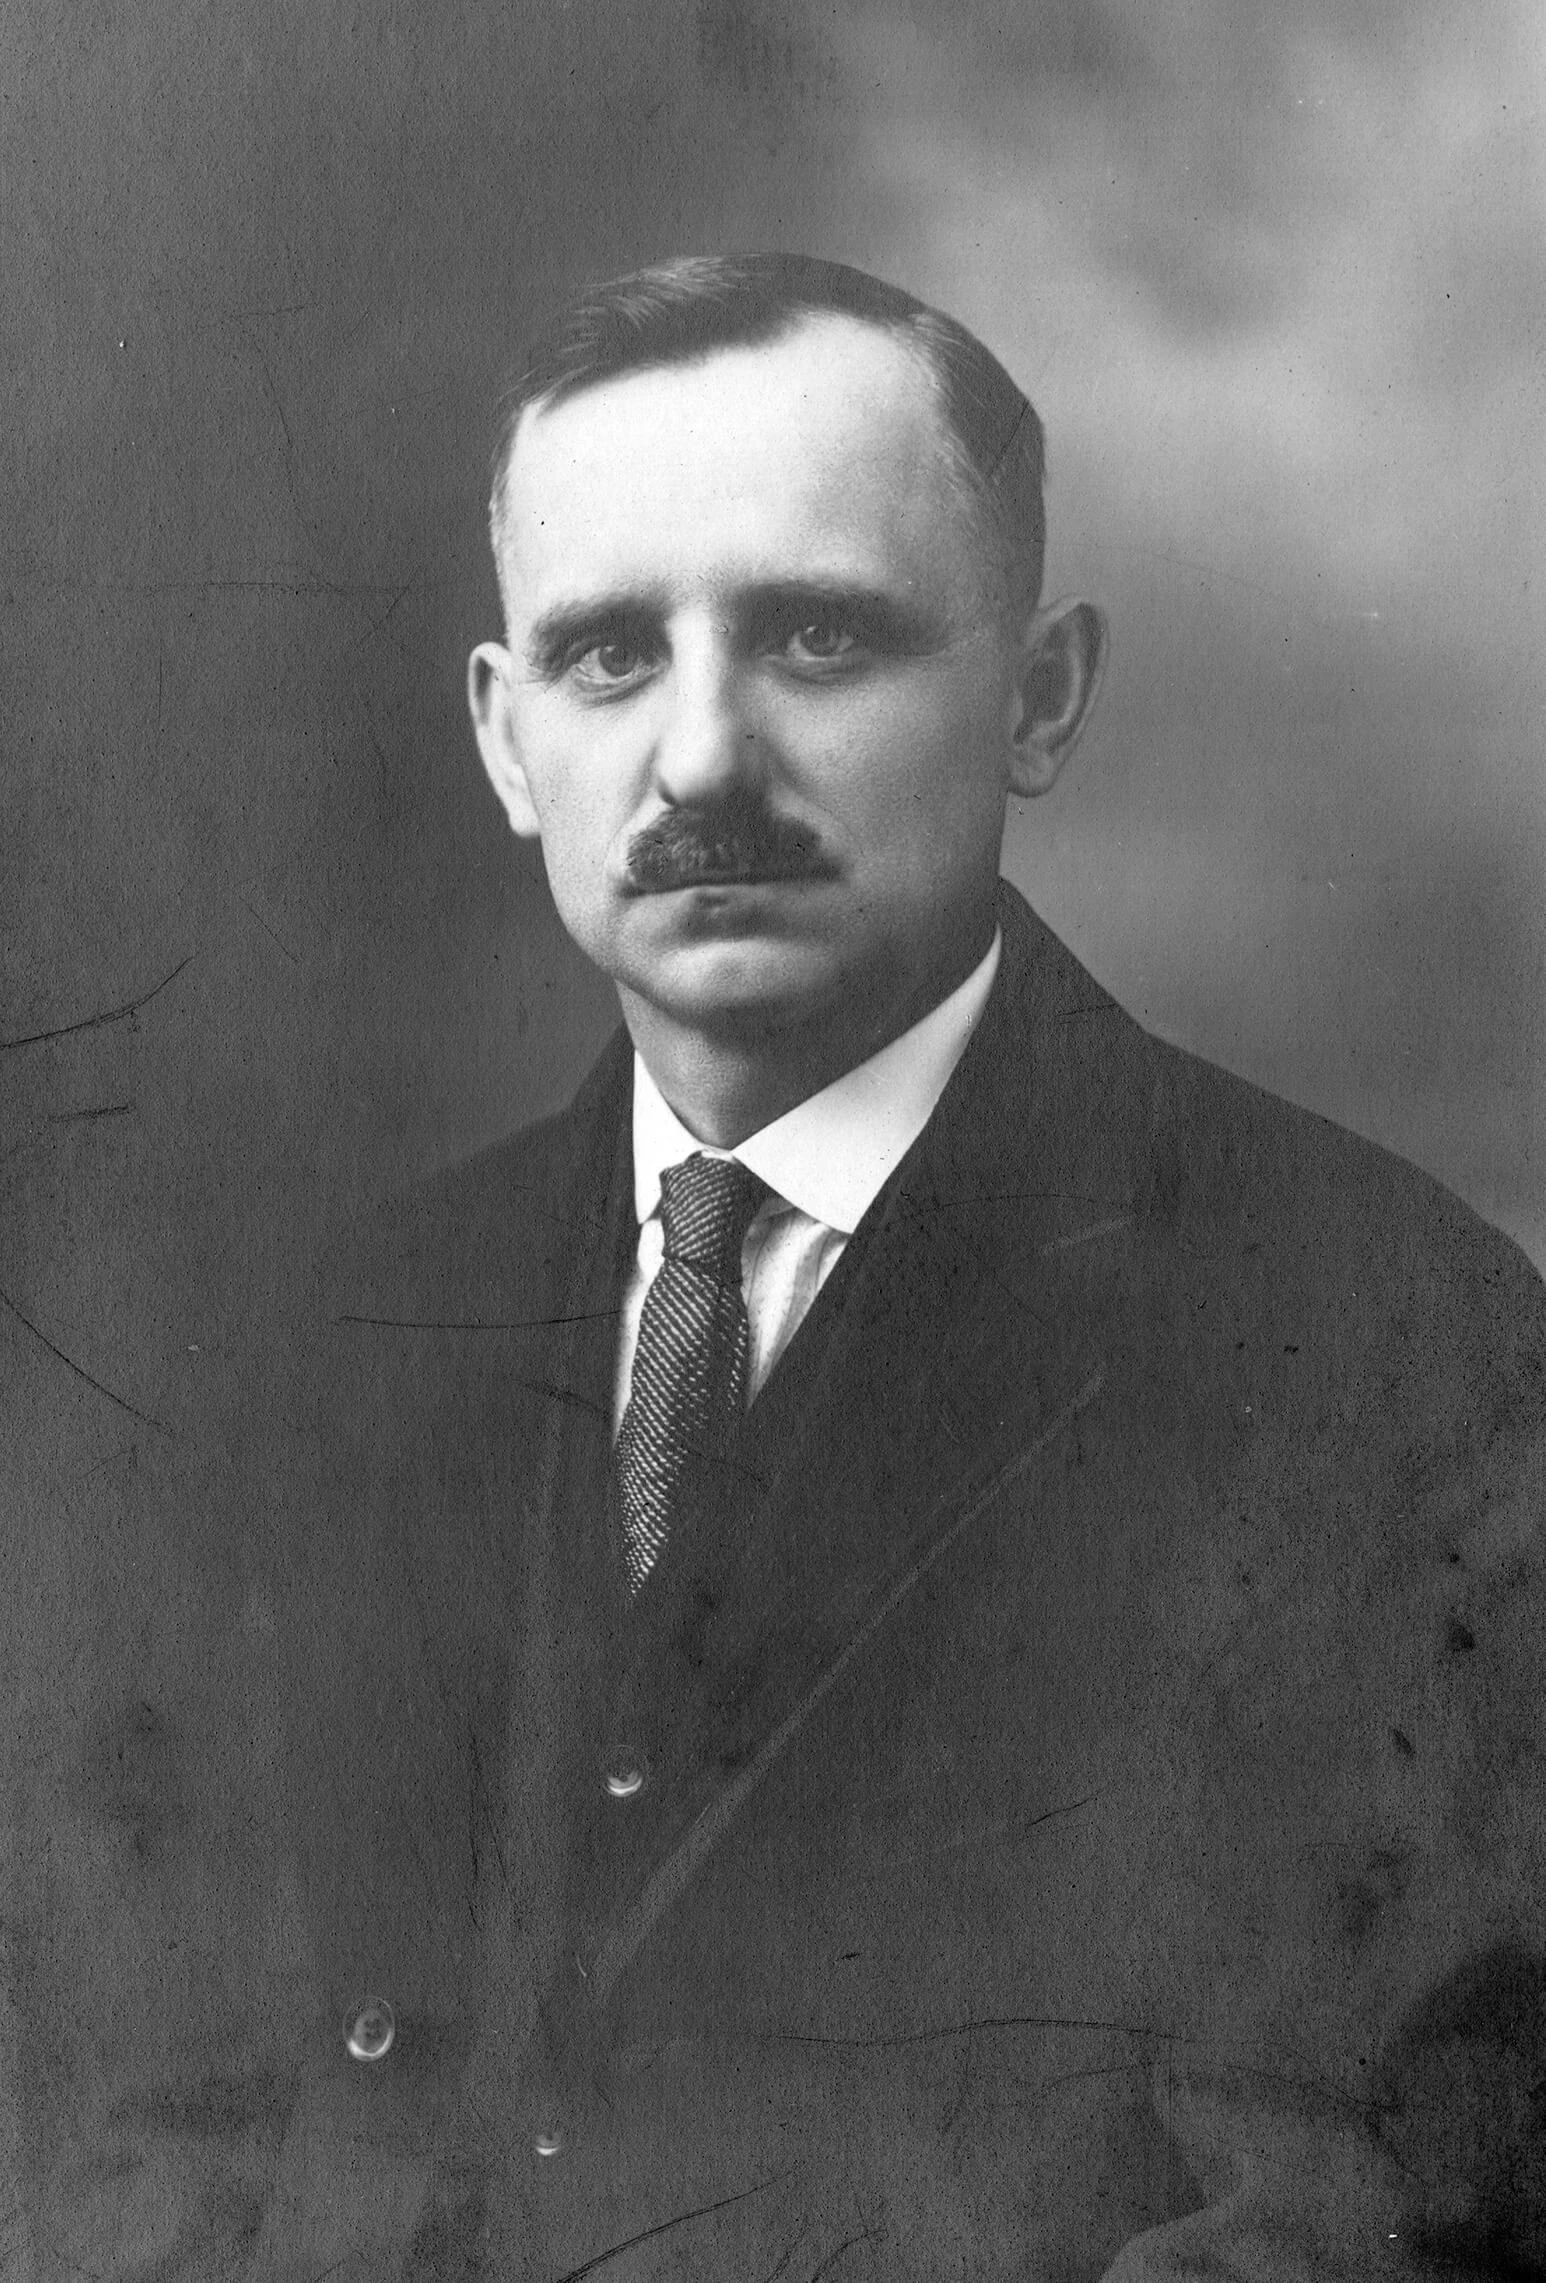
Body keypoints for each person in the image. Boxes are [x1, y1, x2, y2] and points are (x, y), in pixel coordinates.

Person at [11, 254, 1545, 2281]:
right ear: (499, 737)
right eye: (605, 656)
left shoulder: (1390, 1349)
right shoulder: (322, 1361)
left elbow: (1368, 2223)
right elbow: (131, 2136)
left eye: (817, 636)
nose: (702, 761)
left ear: (1037, 693)